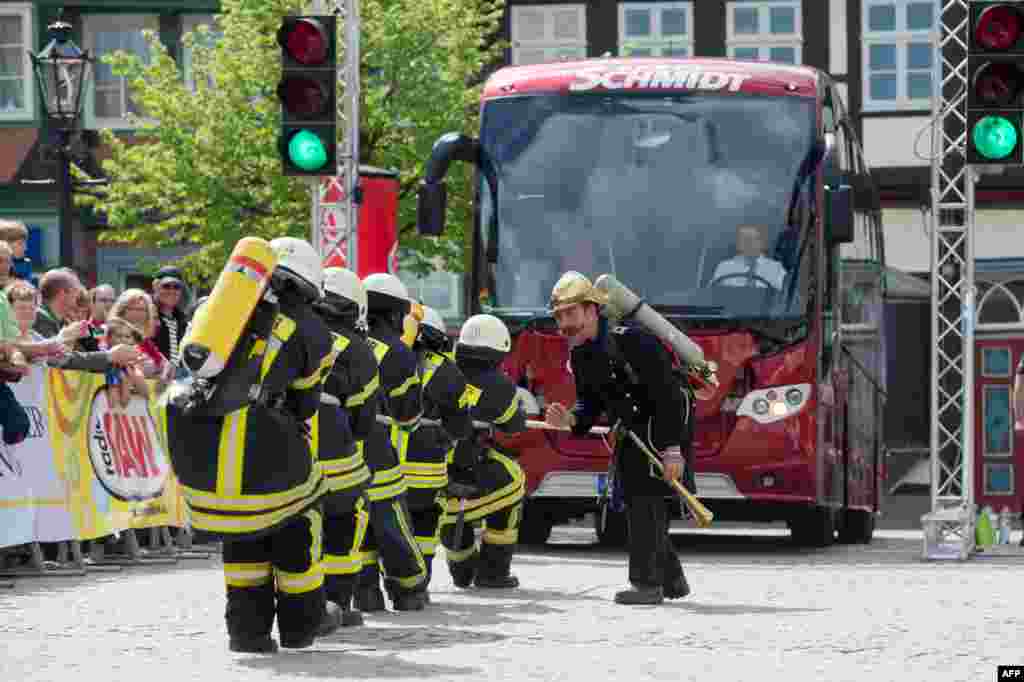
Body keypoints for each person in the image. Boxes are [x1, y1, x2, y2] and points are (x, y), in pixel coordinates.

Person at [165, 237, 342, 653]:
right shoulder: (312, 329)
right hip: (265, 451)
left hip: (203, 456)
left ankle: (247, 633)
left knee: (242, 539)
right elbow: (304, 404)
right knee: (299, 523)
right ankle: (302, 626)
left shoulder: (214, 310)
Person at [543, 271, 692, 605]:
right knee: (639, 504)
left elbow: (669, 396)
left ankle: (646, 585)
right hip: (630, 430)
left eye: (572, 313)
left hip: (661, 427)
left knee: (646, 506)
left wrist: (672, 449)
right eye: (560, 316)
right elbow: (589, 402)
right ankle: (673, 580)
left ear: (592, 310)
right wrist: (570, 419)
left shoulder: (635, 341)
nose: (565, 323)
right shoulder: (580, 354)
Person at [354, 272, 427, 612]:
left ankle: (365, 592)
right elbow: (408, 417)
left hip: (339, 450)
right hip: (378, 451)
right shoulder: (398, 352)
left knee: (353, 523)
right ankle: (409, 588)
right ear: (396, 313)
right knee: (392, 521)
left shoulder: (346, 340)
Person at [440, 313, 527, 589]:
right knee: (513, 481)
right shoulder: (498, 385)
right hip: (468, 470)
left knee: (450, 516)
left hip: (430, 473)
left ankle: (461, 568)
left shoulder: (440, 369)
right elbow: (514, 426)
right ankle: (494, 572)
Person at [312, 267, 377, 626]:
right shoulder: (357, 349)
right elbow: (364, 418)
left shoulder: (294, 329)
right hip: (335, 452)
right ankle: (337, 601)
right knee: (346, 518)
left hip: (286, 446)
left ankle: (297, 605)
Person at [400, 304, 473, 601]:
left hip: (385, 463)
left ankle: (368, 593)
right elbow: (460, 426)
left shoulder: (389, 357)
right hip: (425, 469)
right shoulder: (449, 371)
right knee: (424, 527)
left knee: (378, 526)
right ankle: (417, 589)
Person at [710, 224, 787, 290]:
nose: (749, 243)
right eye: (744, 239)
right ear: (738, 244)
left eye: (754, 239)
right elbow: (710, 294)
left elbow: (782, 299)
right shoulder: (724, 267)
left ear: (762, 243)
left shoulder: (776, 269)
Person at [151, 266, 188, 367]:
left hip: (181, 379)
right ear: (155, 286)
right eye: (166, 286)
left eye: (176, 287)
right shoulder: (146, 314)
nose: (172, 291)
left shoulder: (184, 321)